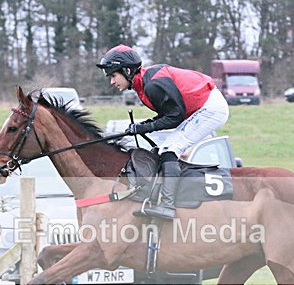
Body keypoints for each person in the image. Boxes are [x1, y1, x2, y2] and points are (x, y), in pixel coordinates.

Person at [97, 44, 229, 219]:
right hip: (201, 107)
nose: (112, 82)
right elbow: (168, 115)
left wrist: (142, 127)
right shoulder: (144, 85)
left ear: (127, 71)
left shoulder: (152, 85)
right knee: (165, 149)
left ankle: (168, 205)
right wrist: (142, 126)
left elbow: (175, 117)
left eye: (113, 75)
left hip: (210, 108)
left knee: (170, 149)